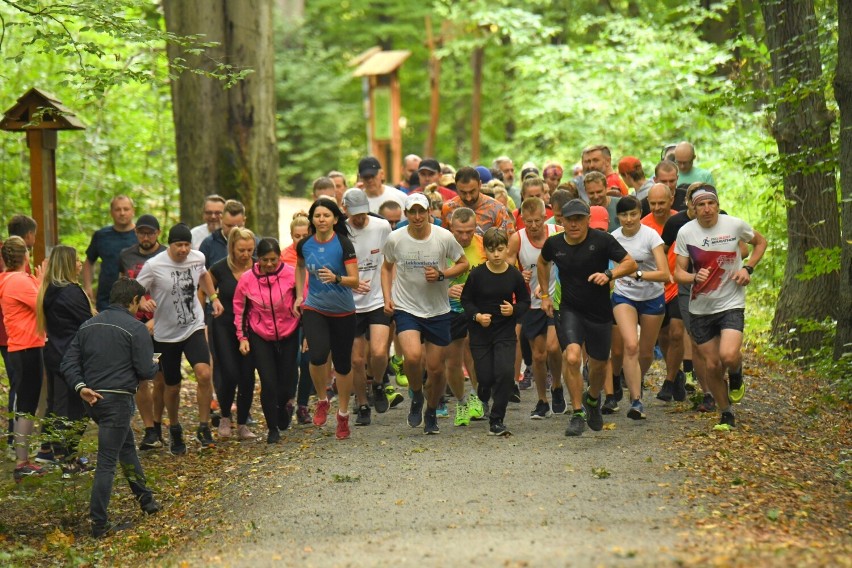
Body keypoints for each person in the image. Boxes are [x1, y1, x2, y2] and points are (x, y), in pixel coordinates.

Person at [60, 278, 162, 538]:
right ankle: (99, 524)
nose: (140, 308)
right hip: (117, 401)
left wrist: (81, 387)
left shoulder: (87, 326)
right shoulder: (136, 328)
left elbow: (68, 363)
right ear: (133, 301)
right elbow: (143, 371)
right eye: (139, 302)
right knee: (107, 461)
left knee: (126, 448)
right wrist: (155, 363)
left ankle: (147, 501)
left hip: (92, 401)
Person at [538, 200, 637, 437]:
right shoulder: (554, 244)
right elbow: (542, 262)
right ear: (560, 221)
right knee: (572, 357)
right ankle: (577, 412)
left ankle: (592, 399)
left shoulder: (602, 241)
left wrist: (609, 274)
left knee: (599, 364)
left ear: (587, 220)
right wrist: (544, 295)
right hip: (569, 309)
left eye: (579, 219)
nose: (574, 224)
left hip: (599, 311)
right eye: (569, 219)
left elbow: (630, 263)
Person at [674, 186, 767, 430]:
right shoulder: (686, 233)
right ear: (693, 209)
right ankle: (726, 412)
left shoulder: (734, 225)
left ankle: (736, 373)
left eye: (711, 204)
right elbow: (677, 273)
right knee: (712, 365)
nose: (706, 209)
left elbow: (760, 242)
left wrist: (748, 268)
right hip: (701, 308)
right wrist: (693, 278)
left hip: (731, 302)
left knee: (728, 355)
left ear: (717, 205)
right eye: (701, 205)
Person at [381, 193, 469, 435]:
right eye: (413, 212)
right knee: (411, 356)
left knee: (437, 368)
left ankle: (431, 411)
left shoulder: (443, 236)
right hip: (406, 307)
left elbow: (464, 263)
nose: (418, 217)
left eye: (422, 211)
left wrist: (442, 275)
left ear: (429, 212)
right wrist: (387, 297)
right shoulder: (395, 238)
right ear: (406, 214)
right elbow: (386, 268)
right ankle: (417, 395)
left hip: (438, 309)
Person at [136, 223, 223, 453]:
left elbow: (203, 275)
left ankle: (203, 426)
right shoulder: (154, 265)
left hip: (193, 326)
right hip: (166, 335)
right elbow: (134, 290)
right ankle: (174, 428)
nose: (184, 250)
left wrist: (213, 297)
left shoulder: (197, 257)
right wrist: (143, 302)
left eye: (187, 245)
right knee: (171, 387)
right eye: (179, 245)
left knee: (204, 373)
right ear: (170, 244)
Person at [295, 198, 360, 439]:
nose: (321, 219)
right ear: (312, 219)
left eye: (326, 215)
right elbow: (299, 267)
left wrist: (337, 278)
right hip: (315, 308)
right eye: (317, 215)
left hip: (343, 311)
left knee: (342, 365)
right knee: (317, 354)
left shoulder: (343, 244)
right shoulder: (305, 245)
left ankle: (343, 415)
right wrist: (301, 295)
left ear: (335, 219)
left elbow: (355, 279)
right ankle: (322, 400)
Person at [461, 228, 530, 435]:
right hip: (480, 332)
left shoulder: (513, 274)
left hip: (505, 331)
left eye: (500, 249)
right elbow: (466, 300)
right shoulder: (477, 274)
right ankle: (483, 390)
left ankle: (497, 419)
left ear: (507, 249)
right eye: (492, 251)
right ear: (486, 251)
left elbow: (525, 301)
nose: (497, 255)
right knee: (486, 376)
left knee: (506, 374)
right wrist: (477, 316)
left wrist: (514, 310)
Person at [609, 196, 672, 419]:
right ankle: (636, 401)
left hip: (652, 296)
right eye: (624, 215)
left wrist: (637, 273)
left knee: (645, 353)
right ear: (617, 217)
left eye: (633, 214)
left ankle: (635, 376)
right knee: (631, 346)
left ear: (640, 214)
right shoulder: (613, 238)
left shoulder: (650, 236)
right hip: (624, 295)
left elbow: (665, 274)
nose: (629, 219)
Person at [233, 238, 299, 443]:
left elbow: (303, 302)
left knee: (287, 382)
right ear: (257, 259)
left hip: (289, 332)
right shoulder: (247, 279)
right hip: (260, 334)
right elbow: (240, 310)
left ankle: (283, 407)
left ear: (279, 257)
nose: (269, 264)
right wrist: (242, 337)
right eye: (264, 260)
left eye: (273, 259)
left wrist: (307, 335)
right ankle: (272, 429)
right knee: (268, 382)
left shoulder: (291, 274)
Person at [36, 245, 95, 473]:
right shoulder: (70, 291)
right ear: (69, 264)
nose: (81, 264)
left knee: (56, 405)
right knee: (75, 409)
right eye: (77, 260)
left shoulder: (49, 289)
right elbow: (88, 322)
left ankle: (56, 452)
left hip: (53, 354)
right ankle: (67, 457)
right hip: (70, 358)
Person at [507, 197, 566, 419]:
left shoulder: (558, 232)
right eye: (528, 221)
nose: (533, 226)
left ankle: (558, 386)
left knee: (553, 347)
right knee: (538, 356)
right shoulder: (517, 239)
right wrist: (517, 275)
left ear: (545, 217)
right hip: (532, 304)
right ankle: (542, 400)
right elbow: (505, 266)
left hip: (557, 300)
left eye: (537, 221)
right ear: (522, 219)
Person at [342, 188, 393, 426]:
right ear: (345, 210)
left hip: (377, 298)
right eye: (355, 215)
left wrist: (389, 293)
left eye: (363, 213)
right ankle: (362, 404)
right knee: (356, 360)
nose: (359, 219)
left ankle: (379, 383)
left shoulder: (381, 227)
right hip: (350, 302)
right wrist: (350, 282)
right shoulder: (340, 230)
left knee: (380, 352)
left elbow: (389, 262)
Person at [119, 214, 168, 450]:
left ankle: (158, 424)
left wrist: (157, 319)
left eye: (150, 232)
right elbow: (122, 289)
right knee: (140, 378)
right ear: (136, 233)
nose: (145, 237)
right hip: (134, 325)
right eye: (141, 232)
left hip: (164, 324)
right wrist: (137, 305)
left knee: (161, 378)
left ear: (158, 233)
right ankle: (149, 429)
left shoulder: (168, 255)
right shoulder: (126, 255)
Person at [0, 237, 46, 481]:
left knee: (26, 405)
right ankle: (22, 462)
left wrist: (37, 282)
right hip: (26, 348)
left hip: (24, 346)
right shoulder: (17, 280)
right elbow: (43, 305)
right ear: (25, 255)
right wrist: (44, 280)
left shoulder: (12, 279)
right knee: (26, 407)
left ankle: (23, 460)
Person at [208, 227, 258, 440]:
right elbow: (204, 285)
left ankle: (242, 424)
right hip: (224, 326)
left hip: (252, 327)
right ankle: (225, 416)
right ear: (232, 248)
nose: (245, 254)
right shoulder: (219, 268)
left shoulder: (258, 267)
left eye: (249, 250)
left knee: (247, 375)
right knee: (229, 373)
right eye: (241, 250)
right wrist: (214, 299)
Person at [641, 185, 688, 403]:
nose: (658, 207)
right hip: (655, 288)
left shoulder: (682, 221)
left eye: (662, 203)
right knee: (665, 336)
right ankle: (676, 373)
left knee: (678, 333)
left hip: (678, 285)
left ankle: (669, 382)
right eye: (653, 203)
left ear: (671, 200)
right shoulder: (643, 226)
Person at [445, 207, 488, 426]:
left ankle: (477, 396)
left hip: (476, 309)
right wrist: (445, 290)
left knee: (475, 353)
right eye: (459, 232)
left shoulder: (482, 244)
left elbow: (495, 271)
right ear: (451, 227)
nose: (464, 236)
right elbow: (423, 279)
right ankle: (461, 403)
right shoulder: (439, 244)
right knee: (453, 361)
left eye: (469, 231)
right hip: (449, 309)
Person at [1, 214, 38, 449]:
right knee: (19, 387)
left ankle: (17, 440)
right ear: (27, 237)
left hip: (15, 334)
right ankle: (16, 440)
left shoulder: (17, 266)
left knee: (20, 385)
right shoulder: (13, 267)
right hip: (14, 337)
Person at [280, 213, 314, 425]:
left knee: (307, 359)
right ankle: (288, 401)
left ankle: (303, 404)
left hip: (312, 312)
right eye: (296, 236)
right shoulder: (283, 256)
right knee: (291, 360)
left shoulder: (317, 252)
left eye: (304, 235)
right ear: (291, 236)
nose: (300, 239)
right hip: (289, 313)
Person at [83, 195, 137, 311]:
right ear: (111, 212)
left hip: (136, 300)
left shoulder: (142, 236)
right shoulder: (101, 236)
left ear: (133, 211)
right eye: (117, 209)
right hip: (106, 299)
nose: (122, 213)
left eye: (126, 209)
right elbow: (89, 261)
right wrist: (87, 286)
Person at [441, 166, 515, 235]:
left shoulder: (497, 209)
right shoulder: (447, 209)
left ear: (480, 185)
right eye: (463, 192)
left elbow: (509, 240)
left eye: (472, 192)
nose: (468, 198)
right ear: (456, 187)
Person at [199, 199, 248, 269]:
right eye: (229, 226)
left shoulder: (254, 244)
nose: (233, 230)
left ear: (244, 221)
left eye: (237, 226)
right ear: (221, 219)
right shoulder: (208, 244)